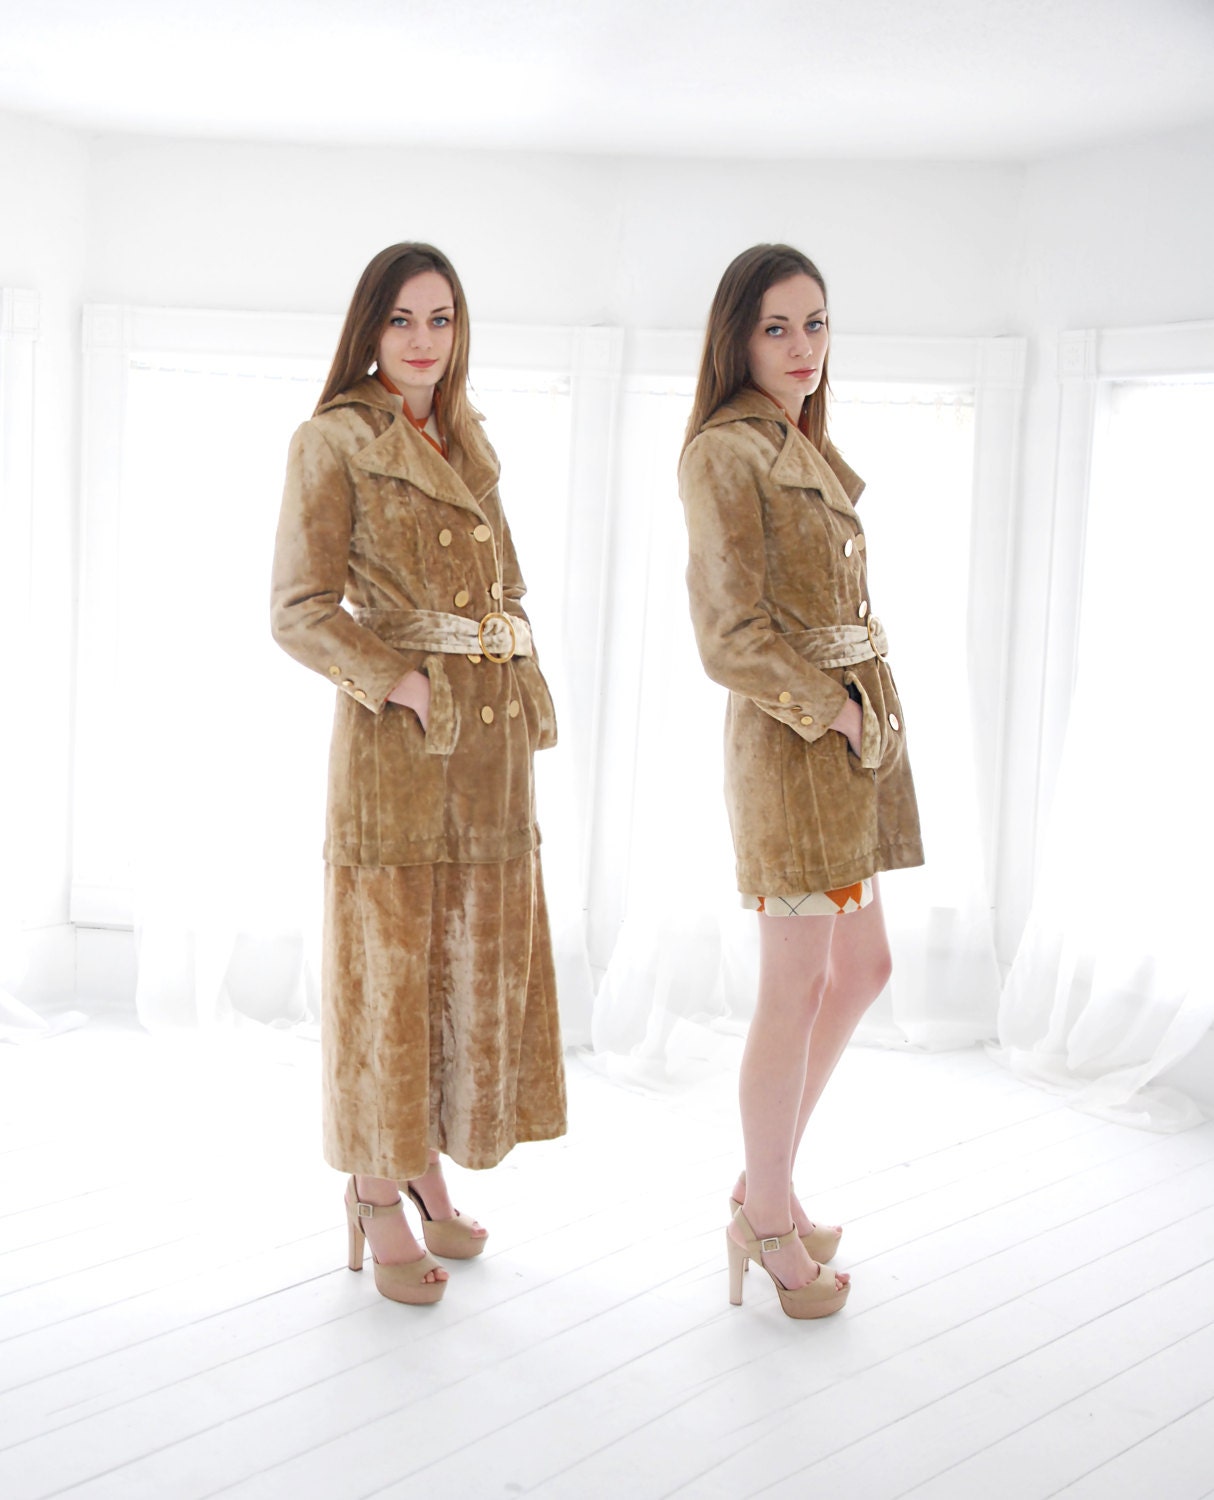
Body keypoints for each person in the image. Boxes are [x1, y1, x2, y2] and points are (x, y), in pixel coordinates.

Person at [271, 243, 566, 1305]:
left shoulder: (467, 433)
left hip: (488, 751)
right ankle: (371, 1185)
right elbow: (298, 608)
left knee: (463, 962)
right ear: (369, 328)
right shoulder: (334, 438)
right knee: (388, 969)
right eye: (402, 318)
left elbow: (506, 586)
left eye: (440, 319)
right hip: (396, 749)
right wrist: (398, 683)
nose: (423, 339)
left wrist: (520, 686)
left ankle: (423, 1160)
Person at [678, 244, 924, 1319]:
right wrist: (836, 712)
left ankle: (759, 1188)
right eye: (776, 327)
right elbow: (728, 636)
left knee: (861, 967)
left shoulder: (800, 440)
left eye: (814, 324)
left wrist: (863, 725)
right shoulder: (722, 452)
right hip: (796, 750)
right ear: (737, 336)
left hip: (850, 751)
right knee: (795, 986)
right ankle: (767, 1216)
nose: (800, 346)